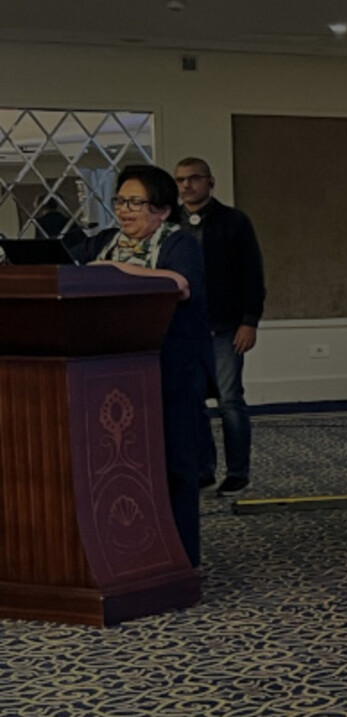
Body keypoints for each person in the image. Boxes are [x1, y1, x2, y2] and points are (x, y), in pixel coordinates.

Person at [65, 164, 212, 567]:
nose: (124, 210)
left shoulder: (179, 243)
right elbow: (67, 272)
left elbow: (180, 284)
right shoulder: (104, 242)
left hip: (171, 372)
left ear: (161, 210)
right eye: (120, 201)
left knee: (173, 465)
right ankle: (126, 551)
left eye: (135, 202)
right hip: (107, 375)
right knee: (117, 467)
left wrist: (113, 270)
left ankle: (181, 559)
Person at [174, 158, 266, 495]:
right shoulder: (169, 224)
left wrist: (249, 322)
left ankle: (238, 472)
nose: (187, 185)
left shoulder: (234, 222)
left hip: (226, 328)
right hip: (184, 329)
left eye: (194, 178)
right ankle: (203, 470)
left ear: (210, 182)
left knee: (229, 401)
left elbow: (252, 274)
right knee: (192, 403)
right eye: (180, 180)